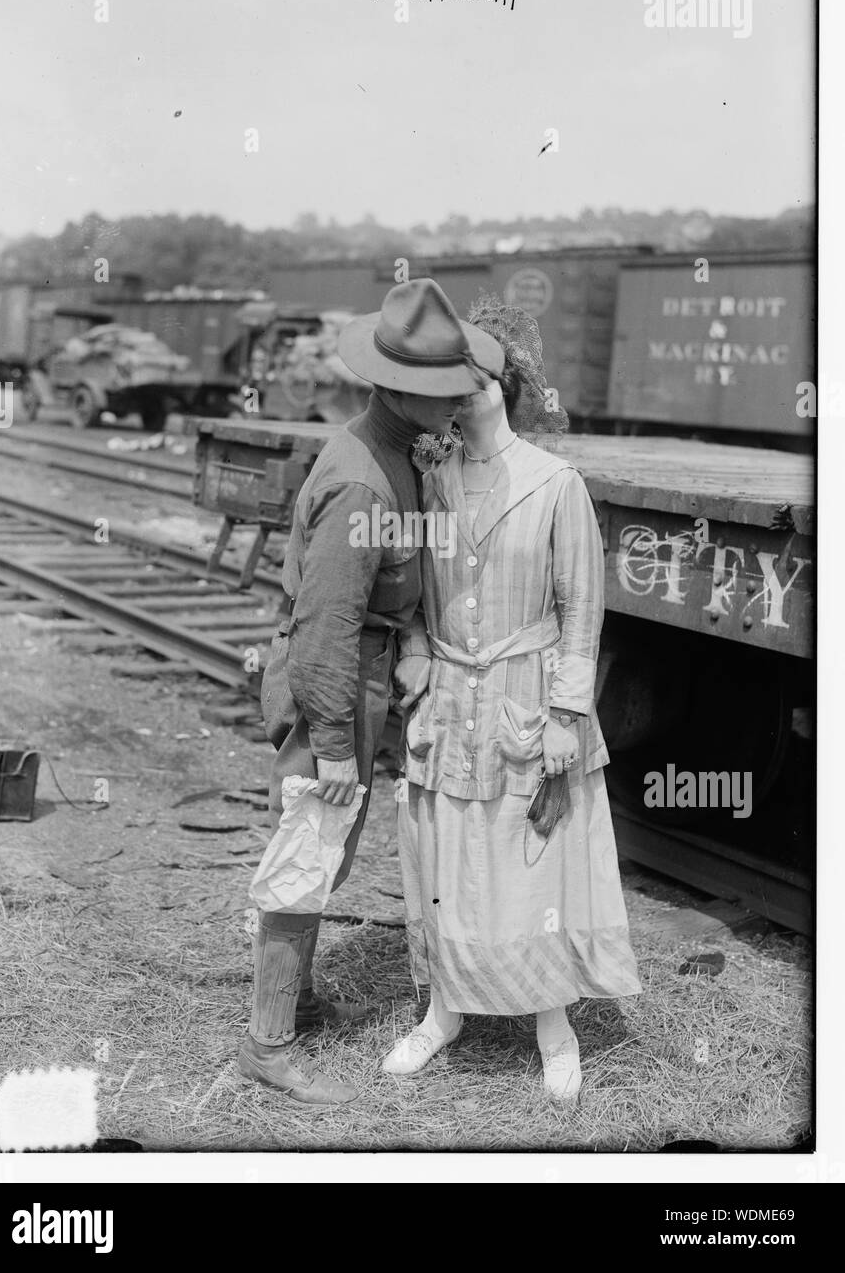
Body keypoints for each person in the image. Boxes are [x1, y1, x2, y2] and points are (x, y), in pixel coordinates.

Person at [238, 278, 505, 1106]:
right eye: (442, 392)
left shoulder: (393, 451)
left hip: (360, 677)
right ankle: (267, 1043)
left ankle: (300, 1001)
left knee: (327, 851)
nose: (458, 402)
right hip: (337, 682)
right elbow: (323, 625)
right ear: (397, 389)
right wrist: (328, 744)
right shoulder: (362, 479)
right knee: (307, 850)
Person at [387, 296, 642, 1100]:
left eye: (479, 379)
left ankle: (551, 1023)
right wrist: (417, 649)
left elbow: (581, 609)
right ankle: (444, 1012)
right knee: (447, 856)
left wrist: (568, 714)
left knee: (533, 857)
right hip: (449, 702)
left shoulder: (555, 483)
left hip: (527, 698)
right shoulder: (429, 482)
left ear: (509, 385)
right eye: (452, 382)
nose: (465, 394)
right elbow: (411, 591)